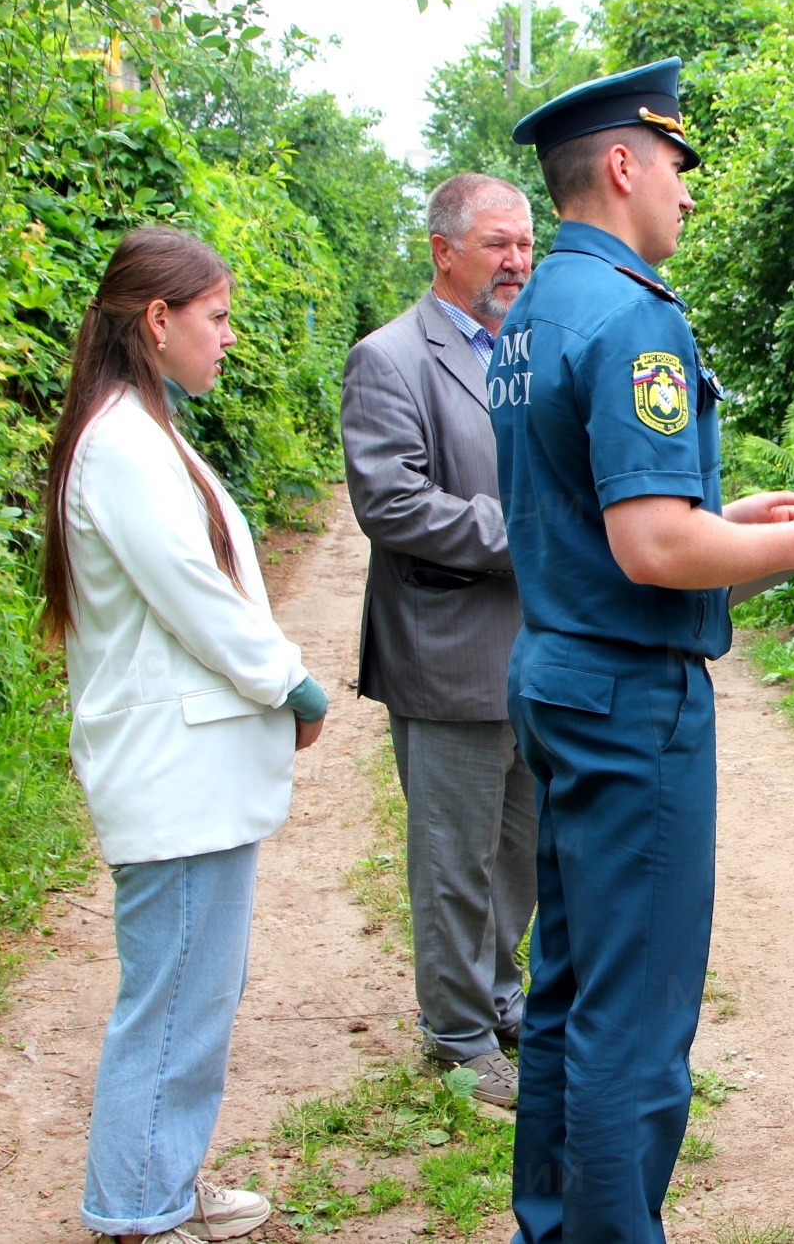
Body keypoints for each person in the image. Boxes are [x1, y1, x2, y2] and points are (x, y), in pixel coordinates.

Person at [488, 57, 794, 1243]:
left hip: (555, 670)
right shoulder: (633, 312)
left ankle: (550, 1225)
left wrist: (737, 522)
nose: (687, 193)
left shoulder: (534, 309)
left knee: (564, 987)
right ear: (621, 166)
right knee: (636, 1015)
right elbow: (652, 544)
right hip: (625, 699)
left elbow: (592, 508)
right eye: (675, 165)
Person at [40, 226, 331, 1241]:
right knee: (170, 1007)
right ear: (158, 321)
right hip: (173, 782)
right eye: (216, 317)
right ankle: (137, 1210)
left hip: (187, 778)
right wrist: (290, 682)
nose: (229, 337)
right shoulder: (122, 442)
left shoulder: (137, 426)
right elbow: (196, 597)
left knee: (189, 999)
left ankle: (158, 1183)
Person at [341, 173, 538, 1107]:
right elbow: (392, 502)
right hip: (447, 648)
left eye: (526, 245)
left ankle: (499, 996)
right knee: (454, 857)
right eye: (499, 244)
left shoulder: (529, 350)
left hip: (534, 651)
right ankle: (457, 1039)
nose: (517, 262)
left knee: (521, 848)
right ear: (443, 251)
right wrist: (530, 536)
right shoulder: (390, 359)